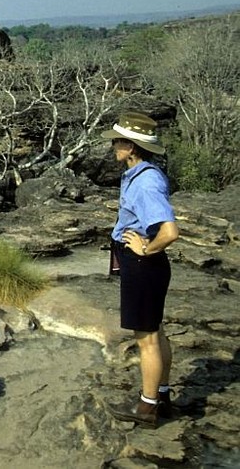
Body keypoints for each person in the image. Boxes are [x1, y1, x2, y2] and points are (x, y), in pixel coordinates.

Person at [102, 111, 179, 428]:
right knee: (156, 331)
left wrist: (145, 248)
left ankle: (147, 409)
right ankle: (161, 395)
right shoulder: (140, 173)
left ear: (132, 146)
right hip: (144, 265)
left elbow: (170, 231)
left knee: (146, 339)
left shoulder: (145, 182)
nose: (114, 146)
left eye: (119, 141)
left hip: (142, 264)